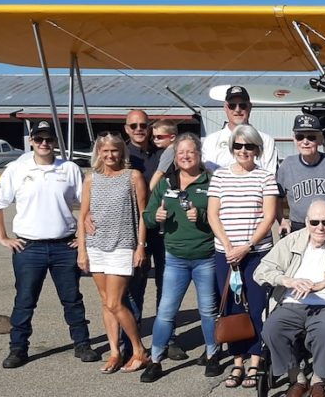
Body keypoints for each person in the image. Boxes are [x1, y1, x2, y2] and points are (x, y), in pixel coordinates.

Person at [0, 121, 99, 369]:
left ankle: (82, 344)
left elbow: (86, 207)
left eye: (48, 139)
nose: (44, 144)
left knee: (72, 300)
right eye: (39, 140)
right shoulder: (17, 169)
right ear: (31, 142)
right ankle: (18, 348)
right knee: (25, 300)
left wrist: (82, 240)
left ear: (55, 143)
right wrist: (3, 237)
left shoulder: (69, 169)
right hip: (28, 248)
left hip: (63, 246)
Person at [255, 200, 325, 397]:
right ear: (306, 222)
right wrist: (288, 281)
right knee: (272, 329)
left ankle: (318, 381)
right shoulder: (292, 240)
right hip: (291, 301)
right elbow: (261, 271)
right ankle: (297, 377)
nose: (320, 227)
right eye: (315, 222)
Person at [139, 134, 223, 382]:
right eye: (180, 153)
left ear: (199, 155)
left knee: (208, 311)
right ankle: (155, 360)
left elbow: (221, 218)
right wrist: (158, 217)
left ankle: (212, 355)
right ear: (174, 158)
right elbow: (147, 216)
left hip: (205, 257)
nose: (185, 156)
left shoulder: (212, 182)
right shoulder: (166, 184)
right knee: (166, 311)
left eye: (190, 152)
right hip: (175, 257)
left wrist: (203, 218)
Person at [207, 124, 280, 388]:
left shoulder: (265, 177)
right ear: (232, 148)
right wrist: (228, 247)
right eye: (238, 145)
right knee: (231, 307)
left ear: (257, 149)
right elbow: (212, 214)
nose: (243, 150)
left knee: (258, 306)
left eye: (249, 146)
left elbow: (269, 216)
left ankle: (255, 361)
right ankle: (237, 361)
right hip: (226, 254)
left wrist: (246, 246)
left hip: (256, 253)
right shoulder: (220, 177)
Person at [77, 132, 150, 373]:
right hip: (96, 245)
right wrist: (82, 250)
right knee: (105, 303)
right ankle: (115, 352)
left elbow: (143, 214)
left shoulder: (133, 177)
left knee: (115, 301)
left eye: (114, 150)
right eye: (105, 151)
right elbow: (83, 215)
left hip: (122, 245)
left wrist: (141, 246)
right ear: (98, 152)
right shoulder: (90, 179)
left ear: (122, 152)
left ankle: (139, 349)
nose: (109, 155)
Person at [120, 109, 181, 359]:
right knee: (134, 287)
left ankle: (168, 337)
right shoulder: (121, 153)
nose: (139, 129)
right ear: (126, 128)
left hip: (167, 228)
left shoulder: (164, 151)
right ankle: (131, 341)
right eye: (133, 125)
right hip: (134, 229)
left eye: (143, 125)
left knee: (167, 285)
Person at [276, 114, 325, 233]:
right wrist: (282, 221)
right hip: (299, 229)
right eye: (300, 137)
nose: (305, 142)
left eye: (311, 137)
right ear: (294, 139)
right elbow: (276, 199)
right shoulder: (287, 165)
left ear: (321, 139)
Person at [203, 85, 278, 172]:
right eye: (232, 105)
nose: (237, 109)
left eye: (242, 105)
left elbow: (270, 176)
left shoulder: (266, 141)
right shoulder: (211, 141)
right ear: (225, 108)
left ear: (250, 107)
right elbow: (207, 176)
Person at [148, 119, 179, 191]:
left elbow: (159, 173)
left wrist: (150, 191)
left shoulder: (169, 151)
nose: (155, 139)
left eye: (159, 137)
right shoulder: (178, 149)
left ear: (172, 137)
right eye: (153, 137)